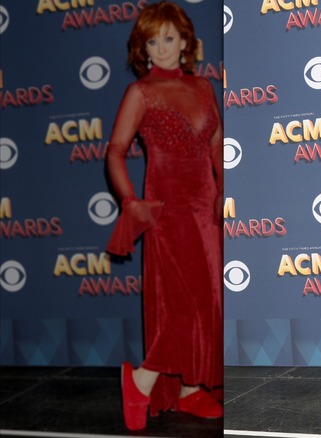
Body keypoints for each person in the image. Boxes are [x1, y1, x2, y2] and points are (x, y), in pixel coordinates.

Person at [104, 1, 223, 431]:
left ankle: (190, 390)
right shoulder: (140, 93)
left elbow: (215, 147)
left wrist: (222, 191)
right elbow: (115, 152)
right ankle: (141, 380)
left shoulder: (204, 88)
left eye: (169, 38)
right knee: (181, 306)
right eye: (152, 40)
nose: (161, 48)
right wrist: (130, 200)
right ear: (144, 47)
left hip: (205, 210)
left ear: (186, 41)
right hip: (167, 212)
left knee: (207, 301)